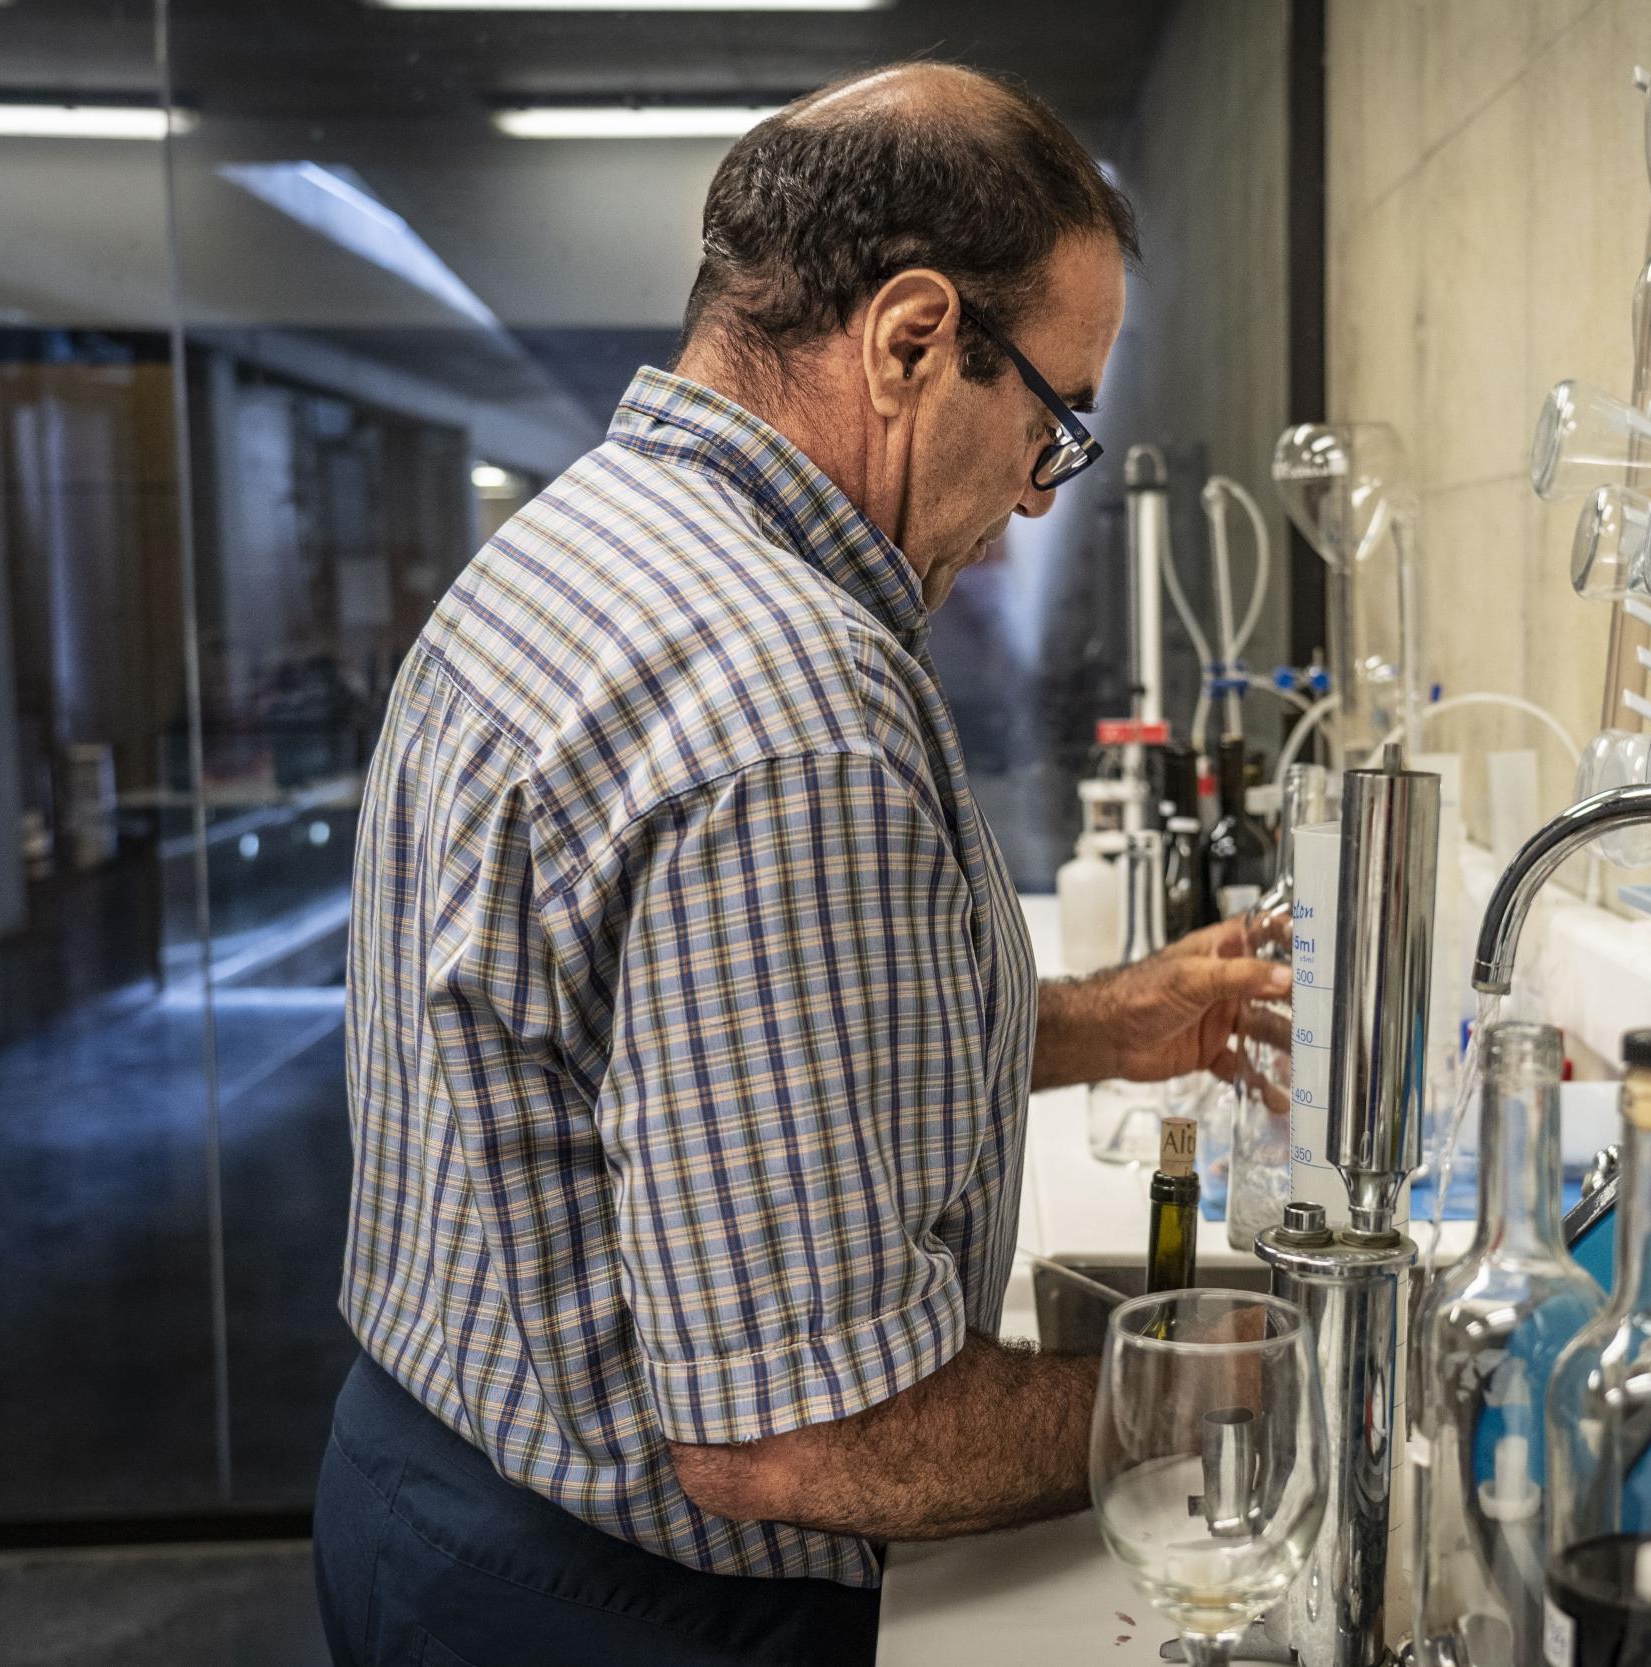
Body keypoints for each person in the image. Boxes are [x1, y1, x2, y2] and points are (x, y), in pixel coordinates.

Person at [313, 61, 1291, 1667]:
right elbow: (808, 1438)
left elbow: (698, 1065)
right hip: (622, 1604)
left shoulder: (581, 544)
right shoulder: (790, 704)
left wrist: (1104, 1023)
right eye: (1054, 425)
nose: (1036, 507)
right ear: (914, 339)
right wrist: (1231, 1386)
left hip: (413, 1480)